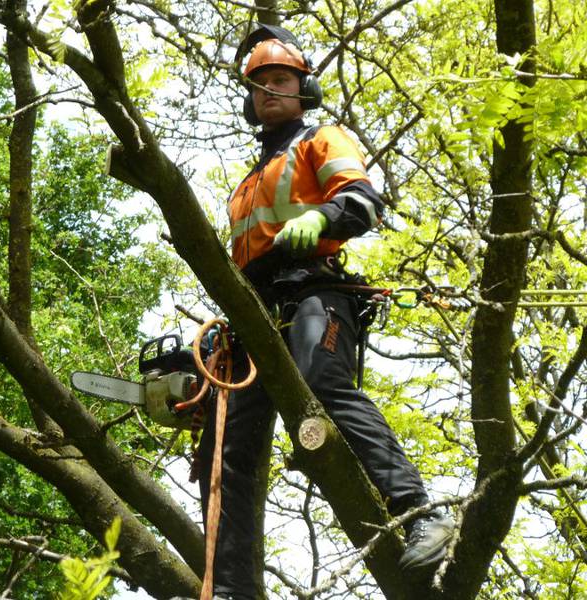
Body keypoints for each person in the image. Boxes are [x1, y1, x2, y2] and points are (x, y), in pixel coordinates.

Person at [178, 25, 453, 600]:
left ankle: (419, 511)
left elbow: (361, 199)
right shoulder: (247, 183)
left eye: (281, 80)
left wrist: (323, 218)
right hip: (252, 313)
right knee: (223, 454)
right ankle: (230, 589)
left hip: (313, 292)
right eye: (260, 84)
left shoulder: (319, 140)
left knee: (318, 380)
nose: (269, 91)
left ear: (306, 88)